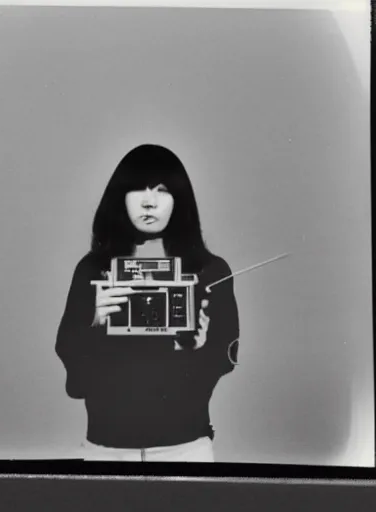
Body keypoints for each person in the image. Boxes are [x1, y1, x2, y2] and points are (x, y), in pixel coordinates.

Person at [55, 144, 240, 462]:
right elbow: (74, 379)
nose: (149, 201)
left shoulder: (211, 272)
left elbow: (226, 360)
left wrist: (197, 346)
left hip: (185, 449)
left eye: (162, 189)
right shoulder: (93, 270)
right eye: (137, 188)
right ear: (119, 197)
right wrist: (94, 320)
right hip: (106, 450)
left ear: (180, 199)